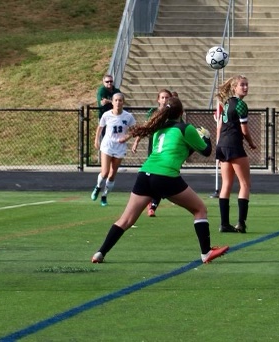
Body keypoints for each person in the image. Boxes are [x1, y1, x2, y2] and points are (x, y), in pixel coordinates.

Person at [91, 97, 229, 264]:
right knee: (200, 209)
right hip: (165, 176)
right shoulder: (186, 129)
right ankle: (206, 253)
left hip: (145, 173)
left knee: (126, 220)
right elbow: (206, 151)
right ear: (181, 113)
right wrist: (205, 137)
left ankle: (100, 252)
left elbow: (178, 152)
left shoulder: (158, 130)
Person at [215, 75, 256, 234]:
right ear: (234, 88)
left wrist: (218, 146)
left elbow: (219, 127)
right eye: (242, 85)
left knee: (226, 184)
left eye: (246, 85)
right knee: (245, 184)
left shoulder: (226, 103)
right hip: (233, 145)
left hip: (223, 145)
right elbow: (244, 130)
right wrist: (251, 143)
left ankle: (224, 224)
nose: (245, 88)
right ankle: (241, 223)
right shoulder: (240, 105)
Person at [131, 88, 173, 217]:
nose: (165, 100)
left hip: (168, 149)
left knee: (162, 177)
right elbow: (146, 127)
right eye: (162, 97)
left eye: (167, 97)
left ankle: (152, 204)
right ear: (158, 100)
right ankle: (151, 204)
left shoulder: (173, 113)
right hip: (155, 148)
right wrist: (136, 141)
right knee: (154, 176)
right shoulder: (153, 113)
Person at [91, 92, 136, 206]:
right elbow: (100, 128)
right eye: (116, 100)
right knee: (105, 172)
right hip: (108, 145)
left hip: (120, 147)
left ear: (123, 102)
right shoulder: (107, 115)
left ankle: (104, 196)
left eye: (120, 100)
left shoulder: (128, 116)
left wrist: (127, 137)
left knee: (112, 175)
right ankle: (97, 187)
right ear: (112, 102)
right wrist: (96, 140)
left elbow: (134, 130)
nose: (118, 102)